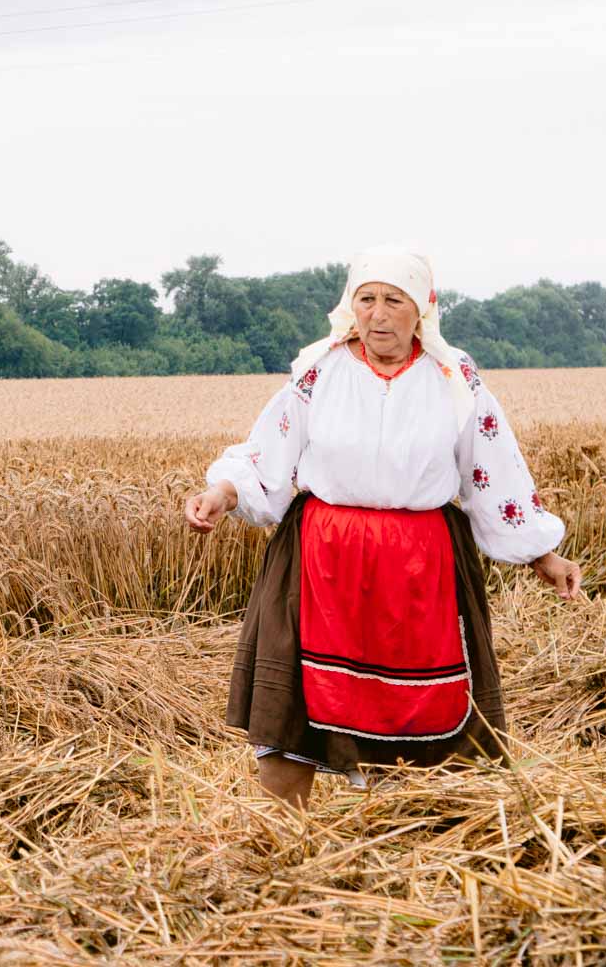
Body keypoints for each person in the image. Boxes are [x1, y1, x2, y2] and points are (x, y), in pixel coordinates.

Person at [183, 251, 581, 806]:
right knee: (291, 721)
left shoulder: (453, 377)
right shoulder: (319, 371)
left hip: (421, 569)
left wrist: (543, 554)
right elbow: (268, 451)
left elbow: (491, 468)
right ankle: (278, 848)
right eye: (366, 299)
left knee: (411, 732)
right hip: (320, 561)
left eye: (394, 300)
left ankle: (399, 839)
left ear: (420, 310)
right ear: (351, 307)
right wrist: (222, 494)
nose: (378, 314)